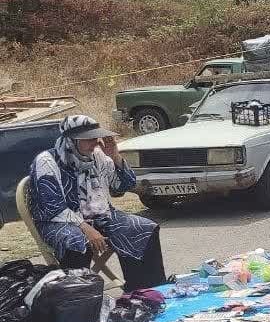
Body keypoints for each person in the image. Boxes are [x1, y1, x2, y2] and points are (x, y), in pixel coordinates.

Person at [28, 115, 167, 291]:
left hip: (100, 216)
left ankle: (145, 291)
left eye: (96, 137)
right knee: (76, 241)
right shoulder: (47, 161)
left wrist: (115, 156)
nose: (95, 142)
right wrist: (86, 228)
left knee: (144, 228)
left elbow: (122, 187)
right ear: (72, 141)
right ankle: (81, 297)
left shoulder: (97, 156)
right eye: (89, 139)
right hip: (58, 221)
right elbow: (52, 207)